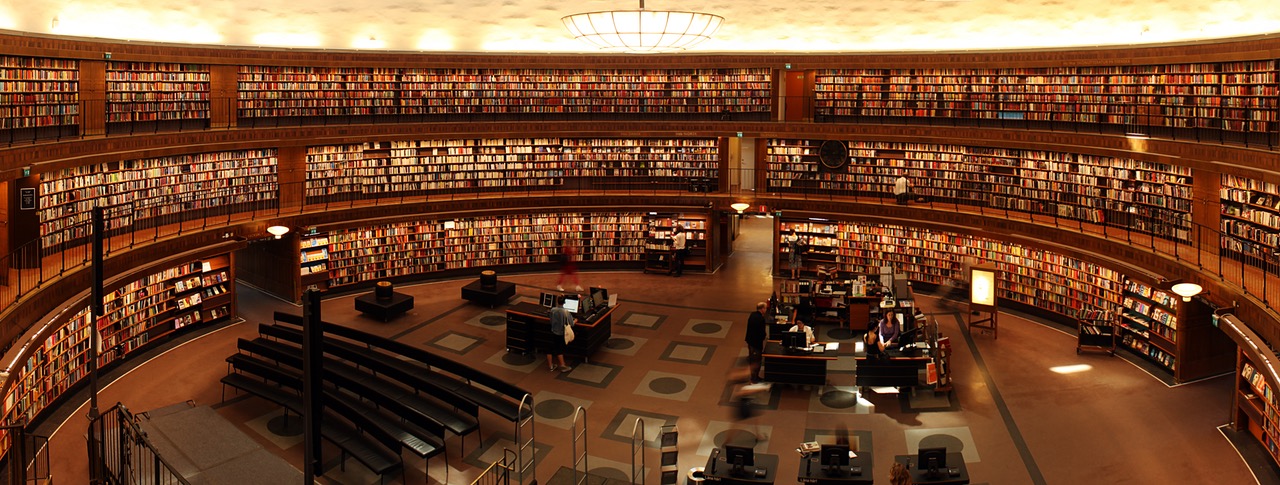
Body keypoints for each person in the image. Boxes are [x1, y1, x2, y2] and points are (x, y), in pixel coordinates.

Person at [546, 295, 574, 372]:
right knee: (559, 349)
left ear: (557, 301)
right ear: (564, 302)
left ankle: (550, 366)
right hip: (561, 334)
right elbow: (571, 323)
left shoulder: (553, 310)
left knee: (550, 349)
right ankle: (562, 365)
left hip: (553, 332)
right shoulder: (566, 312)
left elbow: (551, 321)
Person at [745, 301, 769, 383]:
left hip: (750, 341)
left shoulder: (752, 314)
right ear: (762, 309)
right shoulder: (761, 319)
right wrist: (764, 337)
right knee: (757, 360)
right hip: (756, 343)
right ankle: (754, 378)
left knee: (752, 359)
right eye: (765, 308)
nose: (766, 310)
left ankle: (753, 376)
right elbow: (762, 332)